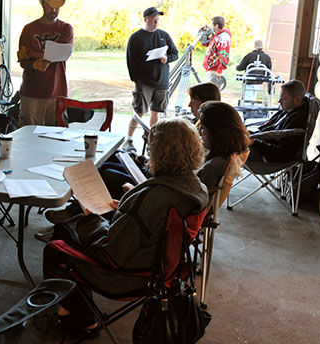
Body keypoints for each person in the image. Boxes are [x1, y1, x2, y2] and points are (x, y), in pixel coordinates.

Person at [42, 118, 208, 337]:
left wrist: (92, 219)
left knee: (57, 245)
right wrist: (127, 212)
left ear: (160, 152)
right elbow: (152, 222)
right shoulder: (197, 189)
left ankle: (82, 321)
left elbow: (112, 253)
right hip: (166, 268)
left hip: (131, 275)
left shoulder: (153, 197)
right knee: (69, 229)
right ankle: (70, 308)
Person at [124, 7, 179, 153]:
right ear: (145, 19)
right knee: (139, 112)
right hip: (144, 82)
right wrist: (136, 80)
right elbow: (131, 60)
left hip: (162, 81)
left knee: (156, 113)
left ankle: (151, 140)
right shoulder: (136, 38)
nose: (156, 22)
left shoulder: (164, 35)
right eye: (154, 20)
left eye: (158, 20)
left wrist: (166, 58)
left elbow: (175, 53)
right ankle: (128, 140)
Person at [17, 0, 74, 127]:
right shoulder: (29, 29)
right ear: (43, 4)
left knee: (57, 139)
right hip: (31, 93)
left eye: (57, 7)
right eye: (50, 6)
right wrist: (32, 63)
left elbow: (61, 53)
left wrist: (31, 53)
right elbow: (23, 62)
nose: (54, 10)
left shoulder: (66, 29)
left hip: (57, 93)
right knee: (27, 137)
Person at [197, 101, 251, 196]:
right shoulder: (229, 155)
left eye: (203, 129)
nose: (200, 133)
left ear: (217, 134)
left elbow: (198, 198)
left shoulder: (212, 166)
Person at [248, 79, 309, 163]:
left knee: (229, 146)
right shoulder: (288, 110)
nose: (279, 101)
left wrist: (254, 142)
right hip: (262, 142)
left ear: (297, 99)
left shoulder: (297, 120)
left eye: (283, 99)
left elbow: (281, 153)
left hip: (268, 156)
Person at [202, 16, 232, 85]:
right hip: (210, 68)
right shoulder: (216, 35)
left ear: (216, 26)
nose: (211, 26)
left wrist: (220, 70)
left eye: (212, 25)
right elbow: (206, 44)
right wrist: (205, 32)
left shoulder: (223, 37)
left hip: (215, 70)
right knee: (208, 92)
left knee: (211, 93)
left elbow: (224, 54)